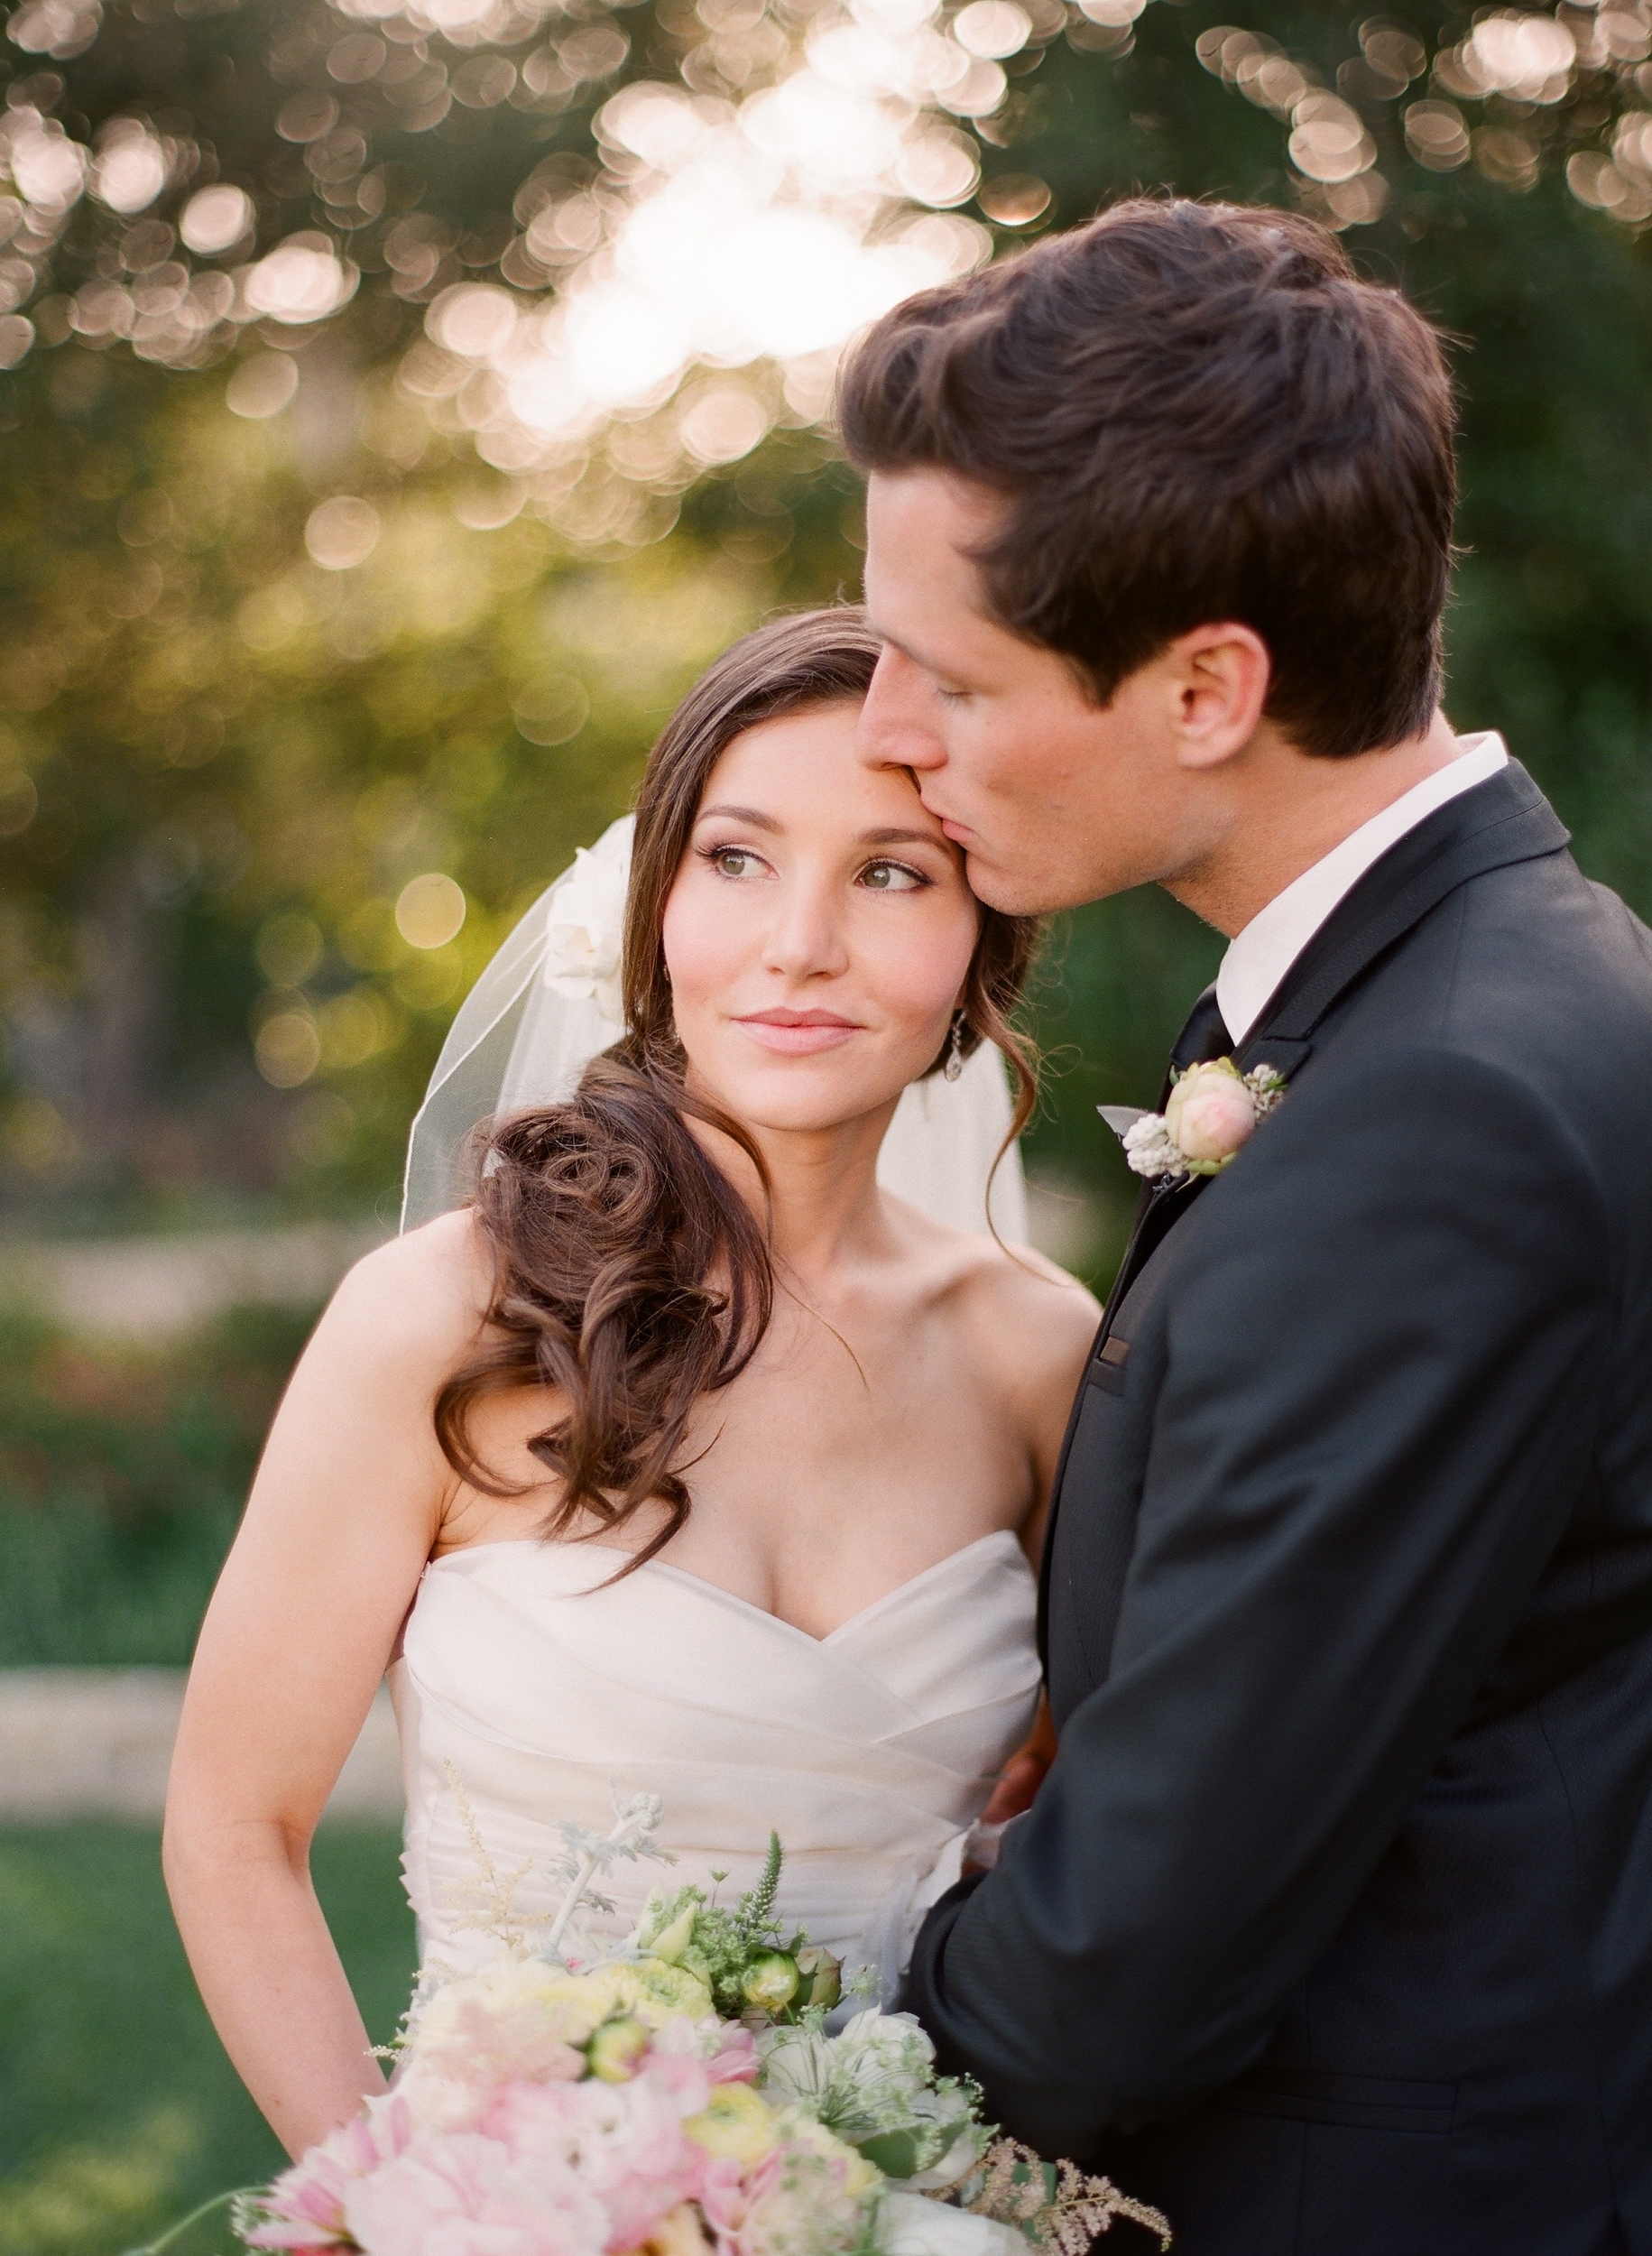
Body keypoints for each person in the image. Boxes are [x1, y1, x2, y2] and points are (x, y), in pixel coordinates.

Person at [842, 194, 1652, 2253]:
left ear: (1206, 684)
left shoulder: (1441, 1106)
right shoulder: (1464, 986)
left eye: (945, 669)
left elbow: (1146, 1940)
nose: (885, 729)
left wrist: (753, 2112)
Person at [162, 606, 1096, 2164]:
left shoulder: (1042, 1357)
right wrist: (400, 2206)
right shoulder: (440, 1320)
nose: (801, 941)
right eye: (737, 860)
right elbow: (232, 1831)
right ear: (654, 902)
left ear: (984, 931)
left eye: (888, 872)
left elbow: (1091, 1817)